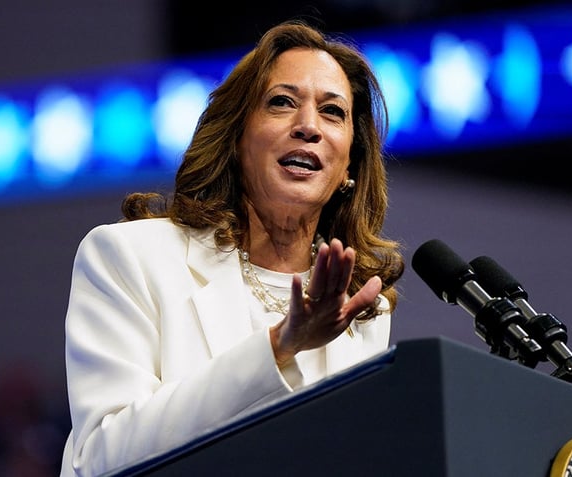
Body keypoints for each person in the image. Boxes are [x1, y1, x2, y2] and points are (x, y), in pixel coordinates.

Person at [59, 19, 405, 477]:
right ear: (237, 140)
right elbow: (99, 460)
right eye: (282, 103)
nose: (308, 126)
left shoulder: (362, 310)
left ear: (348, 165)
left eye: (332, 112)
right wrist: (279, 348)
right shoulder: (129, 257)